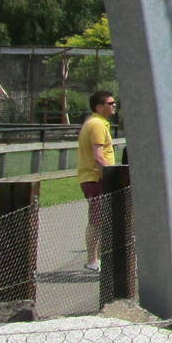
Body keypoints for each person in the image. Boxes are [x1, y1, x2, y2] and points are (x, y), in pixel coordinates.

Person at [77, 89, 117, 272]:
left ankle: (100, 257)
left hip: (97, 178)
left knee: (104, 219)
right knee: (97, 220)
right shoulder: (97, 125)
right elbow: (98, 156)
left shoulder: (99, 123)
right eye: (110, 103)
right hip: (96, 178)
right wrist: (110, 177)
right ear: (99, 107)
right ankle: (92, 260)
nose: (114, 105)